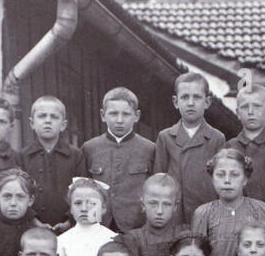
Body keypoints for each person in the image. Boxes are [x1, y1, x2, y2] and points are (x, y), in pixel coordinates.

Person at [154, 71, 227, 223]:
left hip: (206, 213)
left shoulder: (216, 138)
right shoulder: (165, 137)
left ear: (207, 102)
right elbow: (159, 181)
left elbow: (220, 180)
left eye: (197, 97)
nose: (191, 103)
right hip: (174, 215)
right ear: (175, 102)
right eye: (185, 97)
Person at [190, 147, 265, 256]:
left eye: (234, 175)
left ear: (245, 179)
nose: (227, 180)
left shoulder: (261, 210)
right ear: (212, 178)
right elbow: (197, 255)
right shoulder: (203, 213)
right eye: (221, 175)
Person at [82, 86, 156, 232]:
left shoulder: (149, 149)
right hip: (98, 225)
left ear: (137, 116)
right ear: (103, 115)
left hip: (136, 227)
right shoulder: (90, 148)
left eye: (126, 114)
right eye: (113, 114)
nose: (119, 120)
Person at [19, 96, 87, 232]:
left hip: (69, 228)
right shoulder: (22, 156)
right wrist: (33, 220)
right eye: (42, 116)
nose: (48, 121)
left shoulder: (75, 155)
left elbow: (82, 192)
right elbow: (20, 191)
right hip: (31, 227)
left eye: (54, 117)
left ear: (63, 125)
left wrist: (69, 220)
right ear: (32, 123)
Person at [55, 178, 118, 256]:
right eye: (78, 203)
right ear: (71, 209)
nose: (84, 208)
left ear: (103, 208)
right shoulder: (62, 241)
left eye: (92, 203)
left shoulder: (113, 239)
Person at [121, 174, 182, 256]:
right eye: (153, 203)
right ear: (143, 204)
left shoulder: (182, 236)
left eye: (166, 204)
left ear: (175, 206)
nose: (159, 211)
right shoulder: (133, 238)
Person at [227, 82, 265, 206]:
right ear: (237, 113)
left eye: (257, 106)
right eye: (244, 107)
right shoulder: (230, 146)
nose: (251, 112)